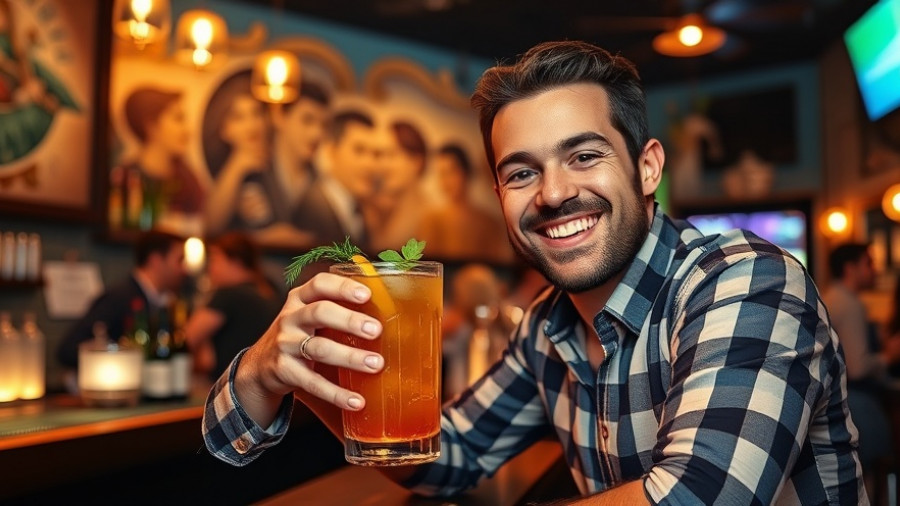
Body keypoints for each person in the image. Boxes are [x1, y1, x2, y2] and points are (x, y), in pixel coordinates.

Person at [202, 41, 865, 504]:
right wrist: (280, 374)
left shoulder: (747, 283)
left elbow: (699, 497)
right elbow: (449, 457)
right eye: (522, 172)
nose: (551, 193)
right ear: (501, 198)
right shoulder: (547, 327)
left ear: (648, 167)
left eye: (583, 156)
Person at [822, 242, 900, 500]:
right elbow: (857, 367)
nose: (875, 269)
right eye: (869, 263)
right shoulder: (849, 304)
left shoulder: (830, 296)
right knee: (871, 476)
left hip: (839, 400)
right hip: (858, 403)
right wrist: (888, 355)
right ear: (850, 268)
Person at [57, 230, 186, 368]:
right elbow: (68, 351)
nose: (184, 269)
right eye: (180, 260)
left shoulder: (165, 302)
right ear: (156, 260)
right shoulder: (118, 298)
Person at [202, 70, 295, 242]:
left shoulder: (279, 161)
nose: (251, 125)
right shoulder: (231, 170)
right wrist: (238, 165)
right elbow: (211, 228)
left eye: (256, 113)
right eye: (238, 117)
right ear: (223, 129)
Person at [183, 231, 282, 381]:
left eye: (214, 259)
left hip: (229, 387)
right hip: (262, 387)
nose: (210, 269)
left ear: (235, 261)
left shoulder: (228, 294)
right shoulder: (270, 291)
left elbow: (188, 339)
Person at [116, 86, 207, 235]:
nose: (187, 130)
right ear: (151, 125)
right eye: (178, 119)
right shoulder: (124, 177)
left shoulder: (189, 181)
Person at [291, 109, 379, 250]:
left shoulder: (358, 208)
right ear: (331, 151)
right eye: (359, 150)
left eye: (375, 154)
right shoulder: (313, 209)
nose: (370, 164)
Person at [417, 142, 514, 263]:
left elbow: (499, 264)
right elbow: (427, 264)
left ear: (466, 172)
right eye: (441, 174)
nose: (445, 181)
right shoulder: (432, 220)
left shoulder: (489, 223)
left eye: (451, 172)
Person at [363, 119, 429, 252]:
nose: (382, 165)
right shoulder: (374, 211)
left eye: (392, 155)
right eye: (380, 155)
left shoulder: (430, 217)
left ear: (417, 162)